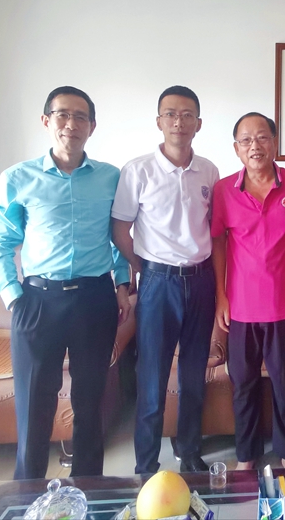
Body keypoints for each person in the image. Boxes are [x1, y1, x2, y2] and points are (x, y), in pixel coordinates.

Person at [0, 86, 131, 480]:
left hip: (94, 299)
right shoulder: (18, 178)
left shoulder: (110, 178)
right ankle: (27, 493)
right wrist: (14, 297)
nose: (71, 123)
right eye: (62, 114)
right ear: (46, 121)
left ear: (92, 126)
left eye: (81, 116)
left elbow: (118, 237)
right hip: (38, 301)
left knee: (90, 404)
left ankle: (88, 489)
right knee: (35, 405)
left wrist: (122, 283)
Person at [111, 86, 218, 474]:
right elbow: (120, 229)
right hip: (158, 285)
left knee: (193, 374)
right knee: (152, 379)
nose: (179, 121)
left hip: (202, 281)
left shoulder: (209, 171)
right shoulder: (137, 170)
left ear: (198, 124)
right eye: (170, 114)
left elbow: (213, 226)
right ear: (159, 121)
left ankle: (189, 451)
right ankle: (146, 463)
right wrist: (141, 266)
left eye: (187, 115)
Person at [211, 112, 285, 470]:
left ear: (274, 142)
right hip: (240, 308)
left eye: (262, 137)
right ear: (236, 148)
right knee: (243, 385)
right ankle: (247, 456)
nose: (254, 146)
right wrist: (221, 296)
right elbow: (219, 244)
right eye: (246, 140)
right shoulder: (224, 190)